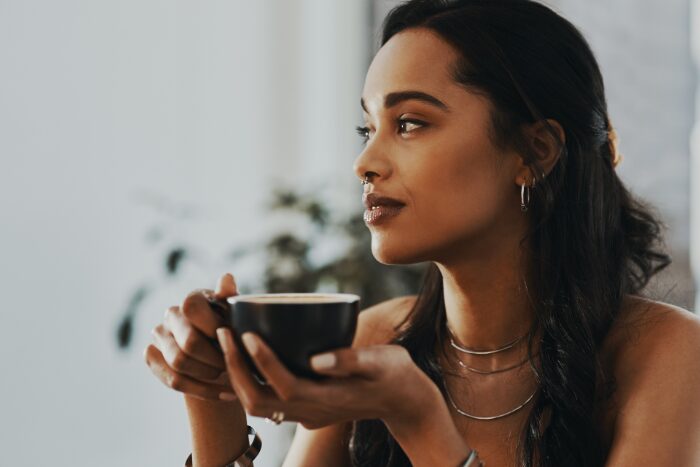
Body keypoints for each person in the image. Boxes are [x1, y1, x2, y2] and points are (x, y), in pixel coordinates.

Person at [144, 0, 700, 465]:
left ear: (536, 152)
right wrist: (212, 402)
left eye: (409, 123)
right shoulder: (374, 339)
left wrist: (418, 418)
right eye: (368, 127)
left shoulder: (667, 355)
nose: (364, 161)